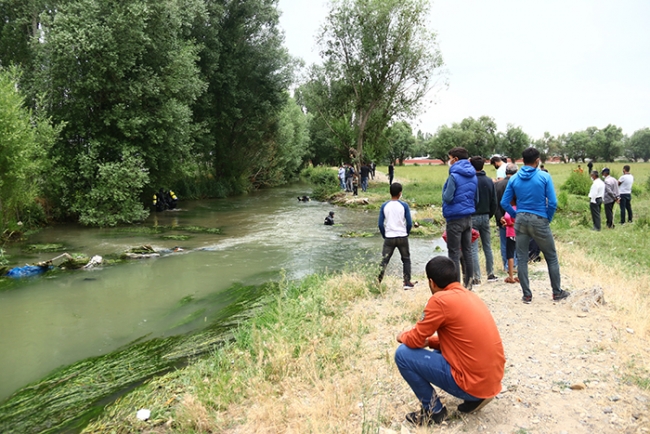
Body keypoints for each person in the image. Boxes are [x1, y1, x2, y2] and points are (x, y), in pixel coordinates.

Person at [394, 256, 505, 426]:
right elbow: (460, 341)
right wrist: (430, 342)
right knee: (439, 348)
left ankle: (434, 412)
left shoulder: (439, 300)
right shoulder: (469, 295)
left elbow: (415, 340)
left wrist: (402, 335)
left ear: (432, 282)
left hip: (472, 384)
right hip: (491, 380)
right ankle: (476, 397)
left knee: (402, 354)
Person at [501, 147, 570, 303]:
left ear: (522, 160)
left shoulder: (514, 178)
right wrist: (547, 218)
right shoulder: (544, 177)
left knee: (523, 258)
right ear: (537, 160)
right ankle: (557, 292)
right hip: (539, 218)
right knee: (551, 256)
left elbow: (504, 202)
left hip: (521, 220)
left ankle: (527, 295)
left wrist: (515, 215)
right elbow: (552, 202)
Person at [442, 147, 477, 289]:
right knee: (467, 251)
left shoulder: (454, 176)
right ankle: (469, 284)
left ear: (455, 159)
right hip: (468, 218)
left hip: (454, 218)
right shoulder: (473, 175)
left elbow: (448, 197)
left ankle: (455, 286)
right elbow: (477, 198)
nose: (448, 161)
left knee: (454, 253)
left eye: (449, 158)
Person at [378, 183, 415, 289]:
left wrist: (384, 235)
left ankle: (378, 281)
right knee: (406, 259)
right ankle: (407, 282)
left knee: (384, 261)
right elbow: (409, 223)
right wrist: (406, 232)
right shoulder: (404, 205)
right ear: (400, 194)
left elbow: (380, 224)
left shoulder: (384, 206)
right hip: (402, 236)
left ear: (390, 193)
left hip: (389, 236)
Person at [469, 156, 498, 286]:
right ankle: (490, 273)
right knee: (487, 246)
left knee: (473, 248)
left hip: (473, 216)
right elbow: (494, 201)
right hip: (486, 215)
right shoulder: (489, 181)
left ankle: (477, 277)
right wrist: (490, 214)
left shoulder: (470, 181)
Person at [494, 163, 518, 273]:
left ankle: (506, 266)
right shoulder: (518, 184)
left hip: (502, 218)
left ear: (505, 172)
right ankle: (516, 265)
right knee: (517, 242)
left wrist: (500, 217)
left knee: (504, 243)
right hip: (516, 218)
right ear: (516, 172)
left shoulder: (497, 185)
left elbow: (495, 203)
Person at [502, 205, 519, 284]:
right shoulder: (521, 206)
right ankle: (520, 276)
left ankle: (511, 276)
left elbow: (508, 217)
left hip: (511, 233)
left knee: (510, 255)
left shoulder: (511, 208)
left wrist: (508, 223)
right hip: (520, 233)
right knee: (520, 254)